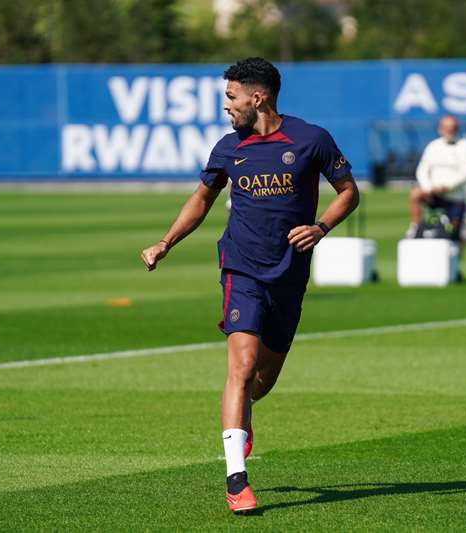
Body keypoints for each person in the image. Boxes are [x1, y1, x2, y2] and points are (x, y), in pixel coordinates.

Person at [140, 57, 359, 514]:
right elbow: (202, 200)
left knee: (262, 379)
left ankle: (243, 420)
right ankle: (236, 478)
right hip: (240, 266)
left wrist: (320, 228)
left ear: (257, 98)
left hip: (289, 273)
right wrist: (166, 242)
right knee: (239, 367)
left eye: (231, 97)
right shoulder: (227, 148)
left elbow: (348, 191)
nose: (226, 106)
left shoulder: (310, 140)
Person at [405, 115, 466, 278]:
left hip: (454, 196)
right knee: (415, 194)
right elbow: (422, 169)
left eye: (453, 128)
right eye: (447, 127)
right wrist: (428, 187)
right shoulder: (433, 146)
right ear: (440, 129)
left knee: (455, 233)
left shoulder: (465, 146)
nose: (450, 131)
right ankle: (414, 228)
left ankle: (454, 267)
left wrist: (445, 187)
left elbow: (465, 173)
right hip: (433, 193)